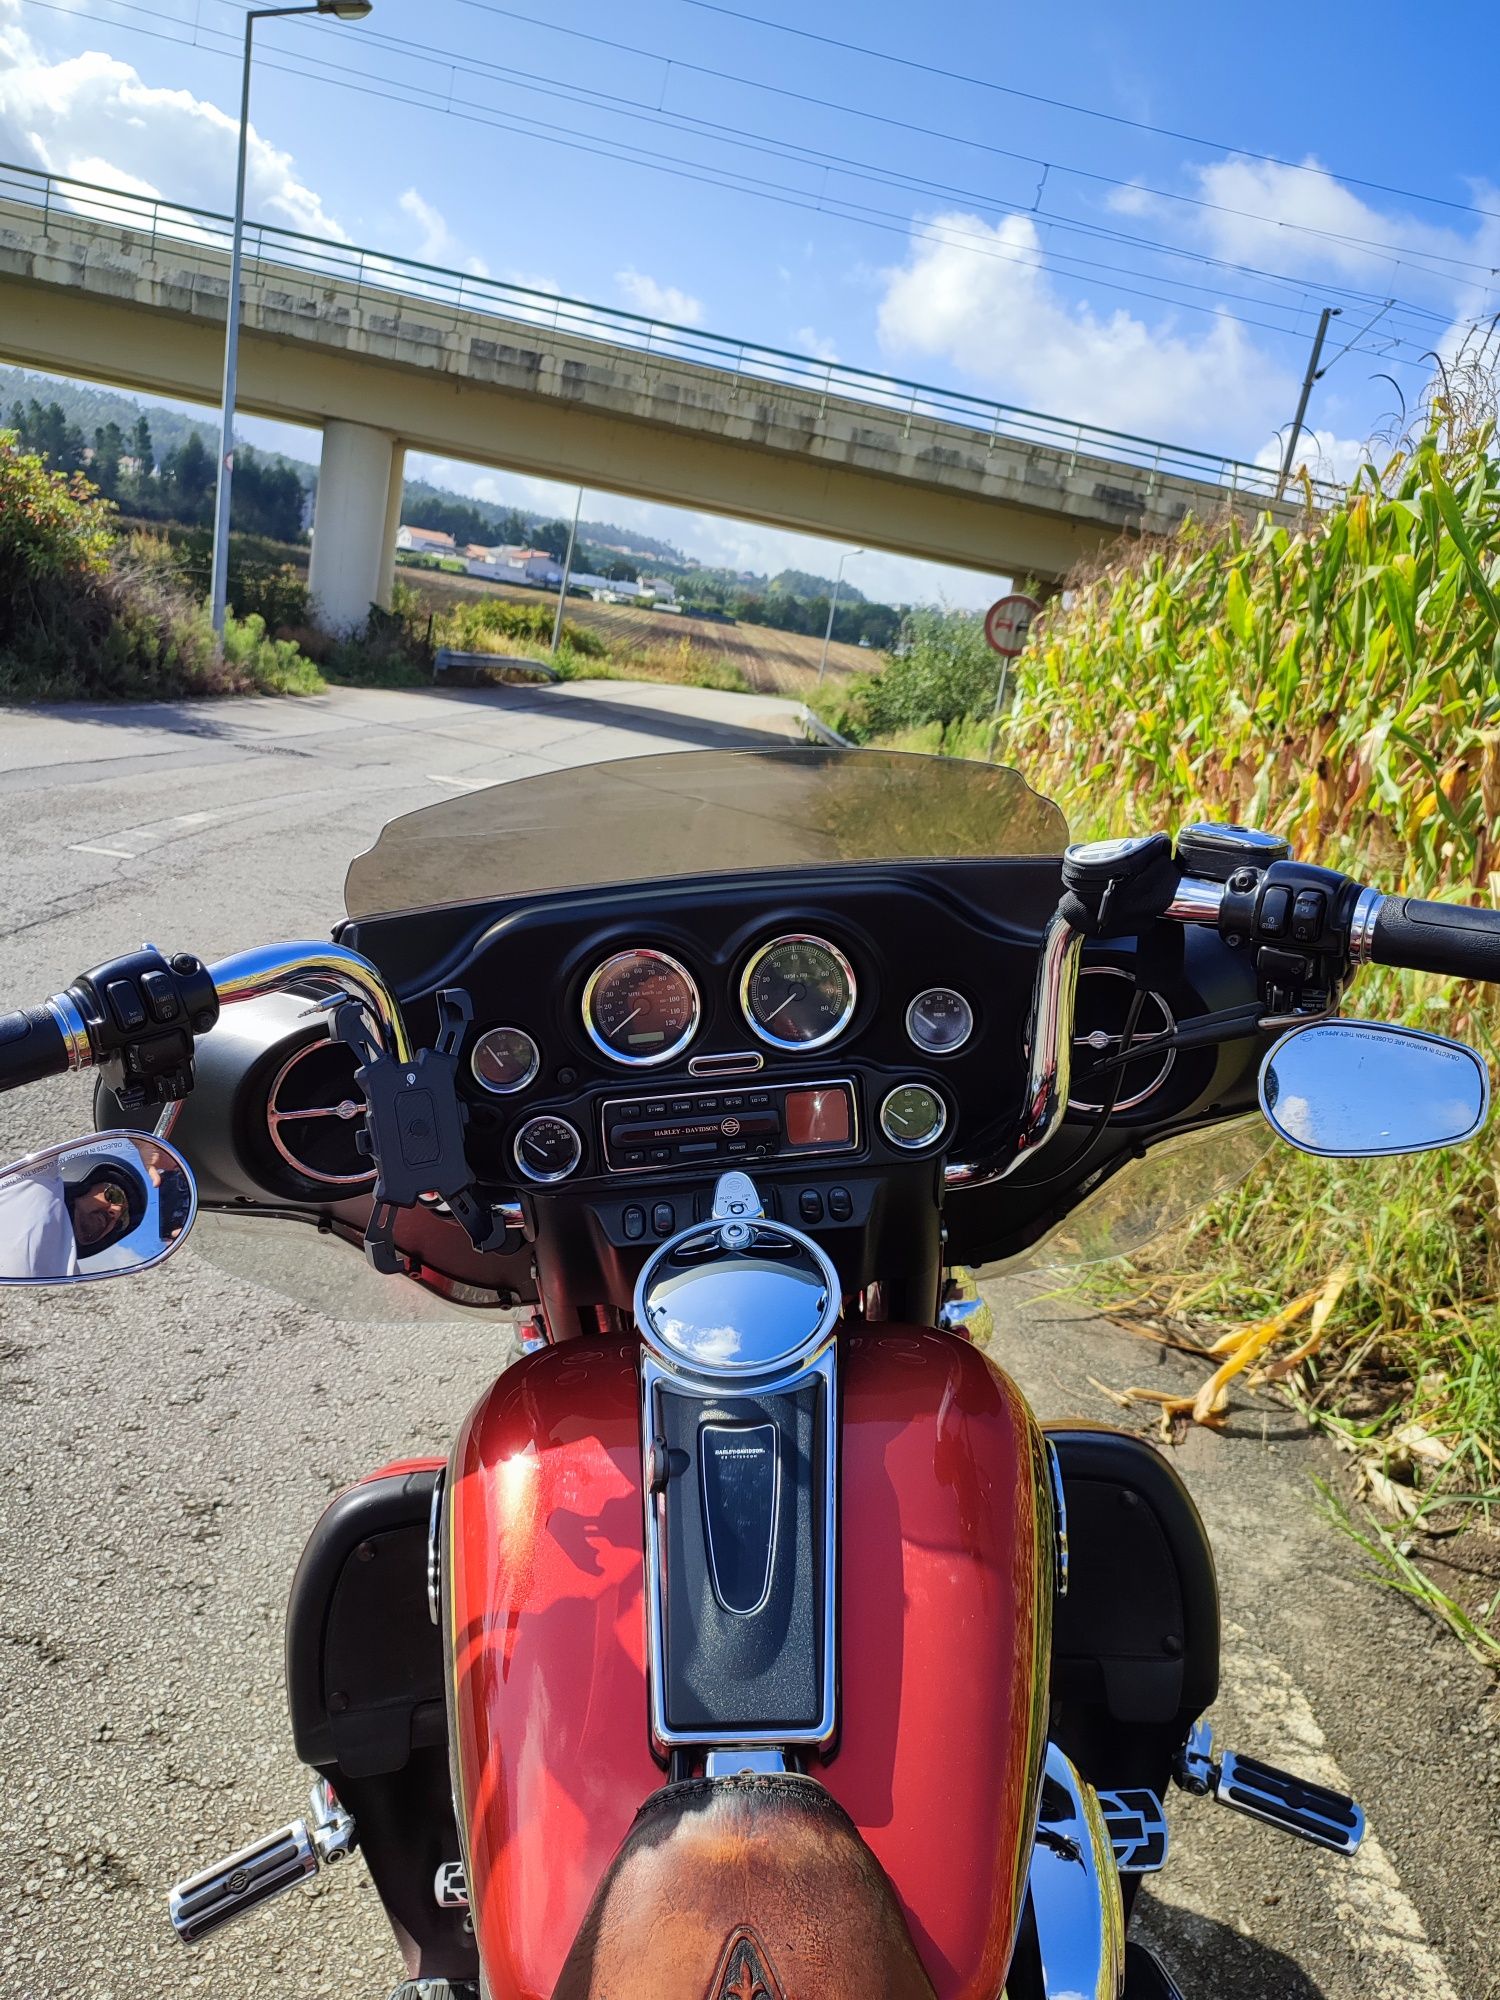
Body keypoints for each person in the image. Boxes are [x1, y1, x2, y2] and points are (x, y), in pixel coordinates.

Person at [0, 1153, 148, 1280]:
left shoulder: (72, 1282)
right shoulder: (39, 1186)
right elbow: (48, 1135)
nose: (116, 1212)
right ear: (84, 1182)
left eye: (123, 1219)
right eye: (115, 1195)